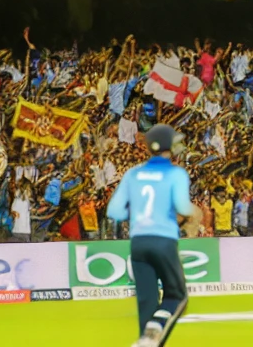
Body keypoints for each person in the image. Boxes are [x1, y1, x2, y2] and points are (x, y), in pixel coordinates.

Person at [106, 124, 201, 347]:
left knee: (147, 301)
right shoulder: (176, 173)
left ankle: (147, 339)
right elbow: (182, 206)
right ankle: (157, 325)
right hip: (164, 240)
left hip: (138, 241)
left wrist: (139, 213)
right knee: (177, 297)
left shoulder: (133, 173)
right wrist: (194, 214)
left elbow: (115, 212)